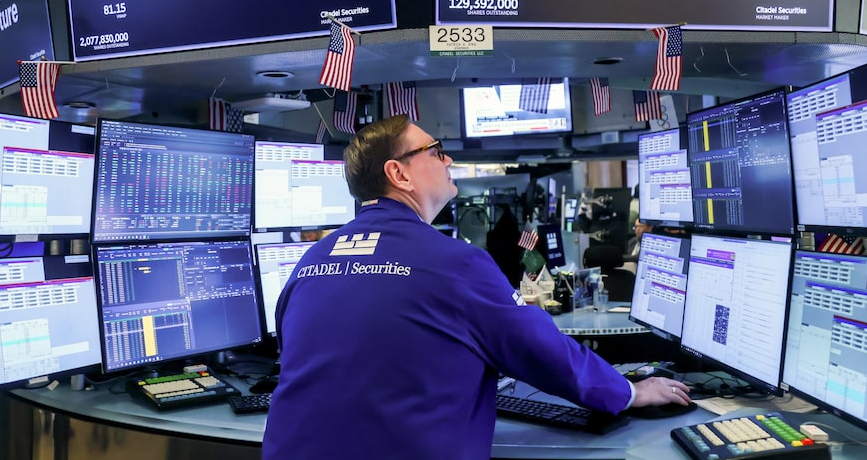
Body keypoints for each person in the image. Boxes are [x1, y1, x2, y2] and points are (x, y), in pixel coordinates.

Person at [261, 115, 690, 460]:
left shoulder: (310, 262)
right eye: (435, 151)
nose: (447, 160)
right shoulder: (454, 262)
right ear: (398, 173)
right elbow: (537, 349)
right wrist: (629, 391)